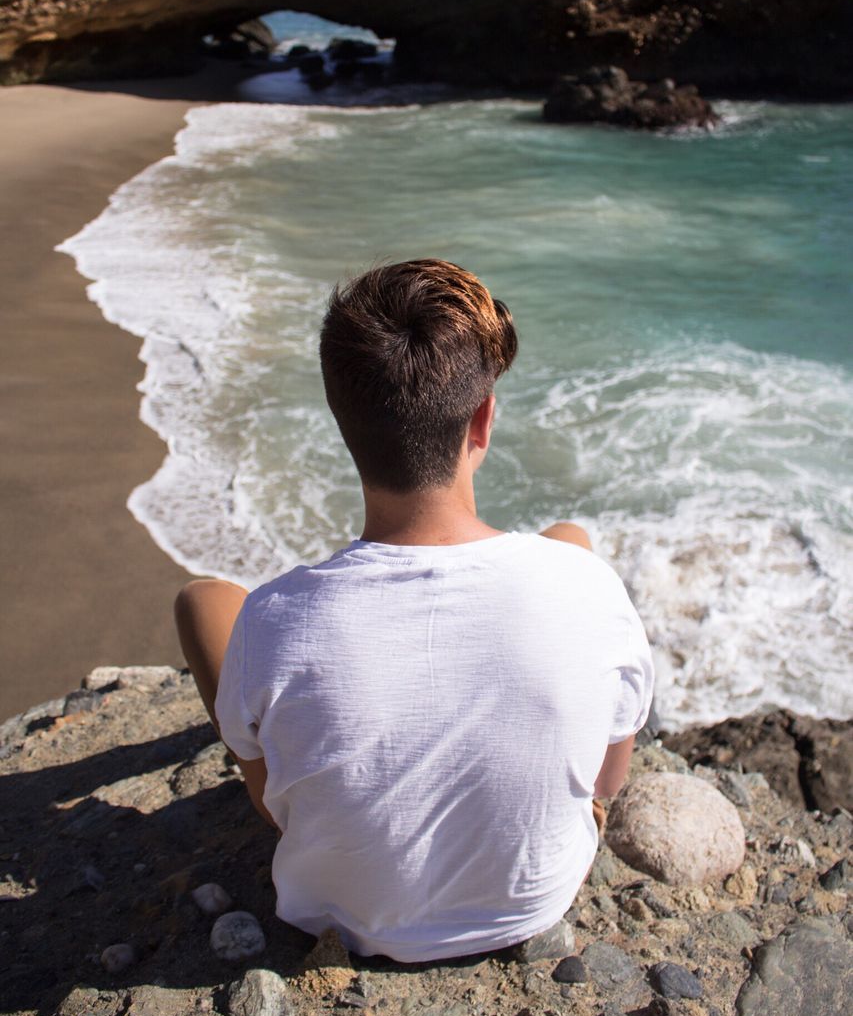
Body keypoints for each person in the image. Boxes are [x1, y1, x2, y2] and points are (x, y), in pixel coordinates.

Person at [175, 258, 653, 962]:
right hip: (529, 899)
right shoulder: (590, 590)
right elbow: (606, 781)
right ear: (482, 420)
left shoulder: (276, 619)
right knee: (570, 542)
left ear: (342, 422)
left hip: (339, 907)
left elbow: (270, 792)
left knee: (203, 601)